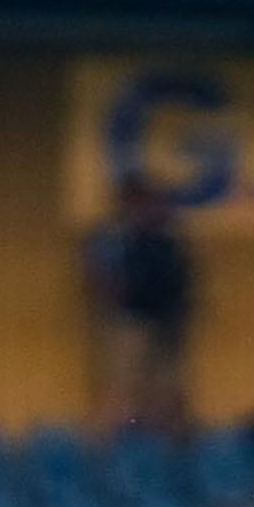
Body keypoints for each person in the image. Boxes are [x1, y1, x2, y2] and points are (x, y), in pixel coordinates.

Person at [85, 174, 197, 438]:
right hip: (129, 321)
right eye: (140, 203)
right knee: (123, 386)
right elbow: (101, 280)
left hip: (166, 323)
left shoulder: (167, 239)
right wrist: (116, 300)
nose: (148, 209)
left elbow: (182, 281)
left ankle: (164, 444)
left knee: (165, 388)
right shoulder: (112, 237)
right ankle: (115, 445)